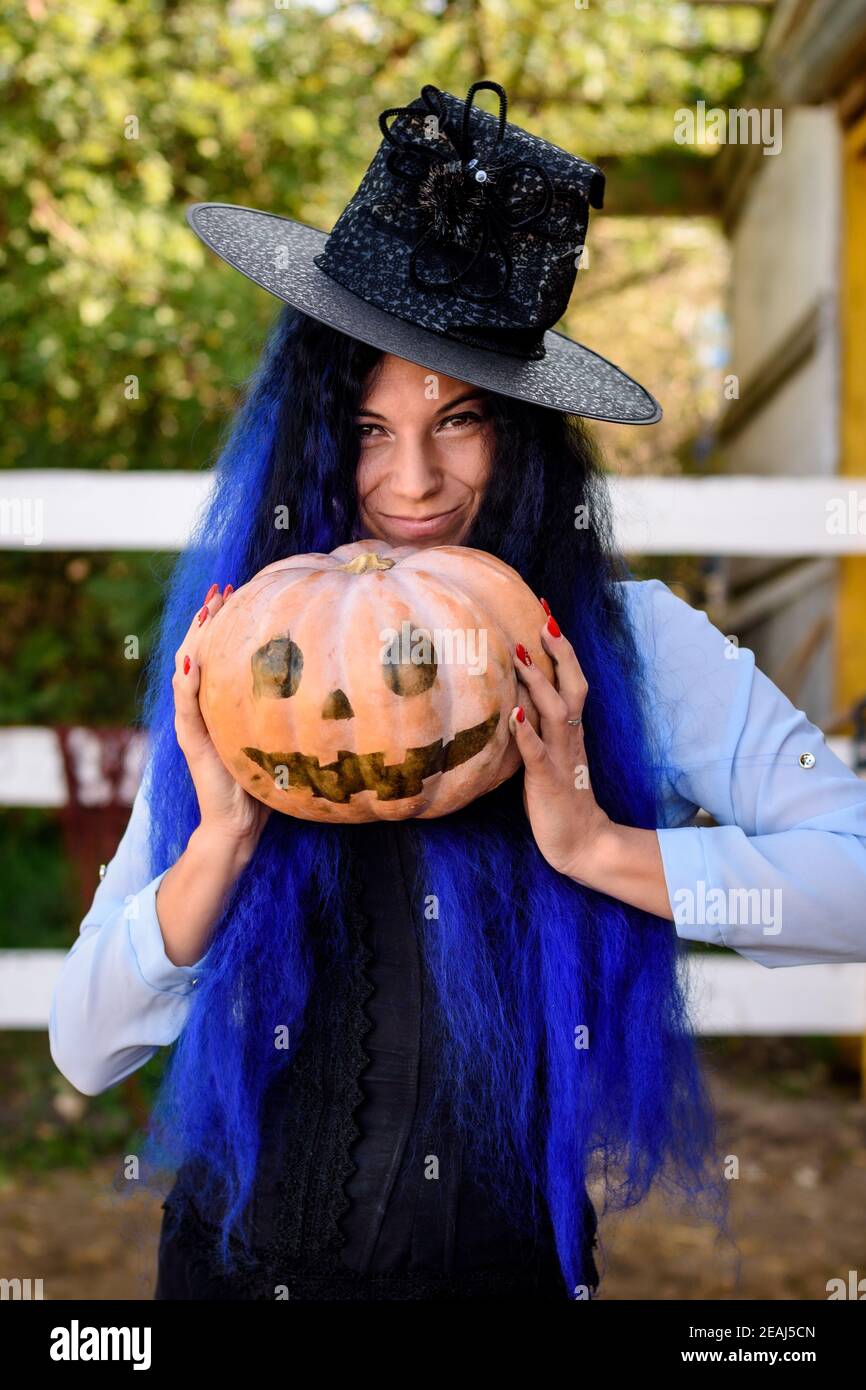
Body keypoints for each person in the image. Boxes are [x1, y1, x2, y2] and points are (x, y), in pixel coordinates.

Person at [50, 81, 866, 1302]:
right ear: (319, 443)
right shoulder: (257, 651)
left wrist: (596, 844)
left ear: (524, 432)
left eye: (461, 419)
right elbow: (85, 1041)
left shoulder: (632, 646)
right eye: (369, 431)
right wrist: (219, 838)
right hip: (234, 1274)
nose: (414, 482)